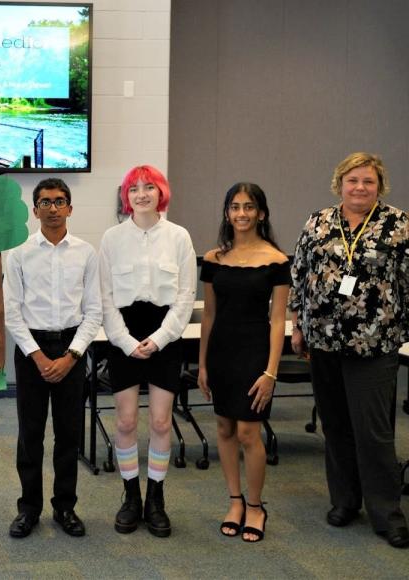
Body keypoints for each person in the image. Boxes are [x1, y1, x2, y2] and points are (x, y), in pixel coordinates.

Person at [290, 152, 409, 549]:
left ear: (380, 187)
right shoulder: (319, 221)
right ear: (339, 183)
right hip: (323, 340)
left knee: (373, 432)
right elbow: (300, 275)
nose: (360, 187)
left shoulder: (397, 224)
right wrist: (297, 324)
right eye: (353, 180)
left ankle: (387, 513)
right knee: (336, 426)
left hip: (374, 344)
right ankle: (344, 501)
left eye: (368, 182)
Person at [98, 165, 196, 537]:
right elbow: (105, 298)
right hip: (123, 334)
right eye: (134, 188)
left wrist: (159, 339)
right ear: (127, 196)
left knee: (159, 422)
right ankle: (130, 496)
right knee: (124, 422)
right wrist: (124, 341)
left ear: (161, 193)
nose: (141, 194)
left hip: (165, 335)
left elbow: (185, 296)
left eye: (149, 187)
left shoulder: (178, 236)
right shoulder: (111, 238)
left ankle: (156, 497)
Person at [3, 177, 102, 539]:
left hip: (71, 351)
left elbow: (94, 312)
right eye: (45, 202)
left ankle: (65, 507)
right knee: (30, 436)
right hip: (32, 352)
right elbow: (12, 313)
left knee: (68, 436)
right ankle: (29, 508)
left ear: (70, 208)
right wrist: (40, 358)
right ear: (36, 211)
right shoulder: (19, 255)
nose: (53, 208)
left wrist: (71, 355)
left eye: (60, 201)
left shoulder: (86, 253)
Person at [197, 183, 289, 543]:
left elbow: (279, 320)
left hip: (255, 352)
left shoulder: (277, 261)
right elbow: (208, 315)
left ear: (261, 213)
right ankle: (234, 501)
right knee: (224, 428)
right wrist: (203, 364)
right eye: (234, 207)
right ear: (227, 213)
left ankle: (255, 506)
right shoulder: (213, 258)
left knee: (249, 432)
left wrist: (271, 372)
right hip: (221, 352)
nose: (241, 213)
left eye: (249, 207)